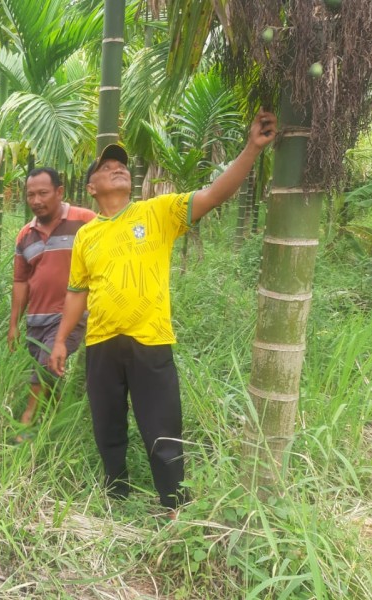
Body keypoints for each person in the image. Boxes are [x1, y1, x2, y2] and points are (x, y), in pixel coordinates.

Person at [48, 111, 277, 513]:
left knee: (163, 431)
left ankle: (175, 508)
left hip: (150, 340)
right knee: (108, 428)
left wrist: (251, 149)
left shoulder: (157, 212)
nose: (117, 167)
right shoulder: (86, 235)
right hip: (101, 342)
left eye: (120, 164)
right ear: (92, 186)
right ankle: (116, 500)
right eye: (106, 167)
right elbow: (76, 293)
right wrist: (62, 340)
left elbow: (214, 194)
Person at [7, 167, 96, 433]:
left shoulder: (86, 221)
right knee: (50, 374)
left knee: (47, 364)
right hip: (37, 319)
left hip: (71, 315)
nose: (36, 200)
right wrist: (14, 323)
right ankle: (57, 424)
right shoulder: (25, 235)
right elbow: (21, 282)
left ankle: (27, 422)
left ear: (59, 192)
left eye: (43, 193)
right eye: (31, 194)